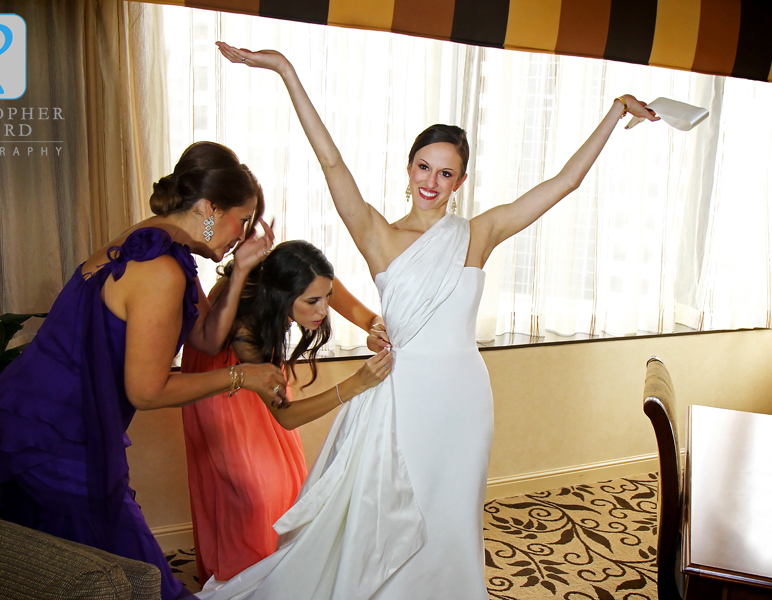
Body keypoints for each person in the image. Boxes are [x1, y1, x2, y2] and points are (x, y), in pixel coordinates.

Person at [192, 43, 660, 600]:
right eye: (423, 167)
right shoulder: (378, 235)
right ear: (408, 167)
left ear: (460, 182)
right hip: (402, 395)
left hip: (465, 398)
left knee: (452, 515)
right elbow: (331, 162)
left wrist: (615, 112)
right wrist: (286, 72)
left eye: (446, 173)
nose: (431, 182)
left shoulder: (477, 234)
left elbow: (563, 183)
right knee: (392, 515)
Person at [0, 141, 295, 600]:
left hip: (50, 416)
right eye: (240, 220)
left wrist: (241, 269)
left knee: (81, 569)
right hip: (57, 429)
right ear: (209, 207)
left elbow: (204, 337)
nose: (241, 235)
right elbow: (147, 391)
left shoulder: (156, 243)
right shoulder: (161, 268)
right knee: (135, 575)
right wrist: (243, 377)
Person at [182, 240, 392, 583]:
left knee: (286, 483)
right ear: (280, 297)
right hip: (222, 387)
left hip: (263, 377)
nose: (323, 309)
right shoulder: (246, 330)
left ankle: (277, 570)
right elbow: (287, 415)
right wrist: (354, 385)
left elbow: (338, 296)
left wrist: (372, 326)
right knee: (254, 492)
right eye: (312, 302)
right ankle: (243, 576)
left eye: (325, 297)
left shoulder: (297, 272)